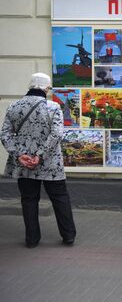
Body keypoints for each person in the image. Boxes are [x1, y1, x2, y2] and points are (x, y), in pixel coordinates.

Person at [1, 73, 76, 248]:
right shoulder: (53, 107)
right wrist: (40, 155)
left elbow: (5, 134)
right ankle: (68, 236)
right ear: (45, 88)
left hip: (24, 163)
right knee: (59, 198)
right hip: (50, 163)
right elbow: (56, 134)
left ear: (30, 86)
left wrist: (19, 154)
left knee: (28, 199)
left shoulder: (14, 106)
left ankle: (32, 239)